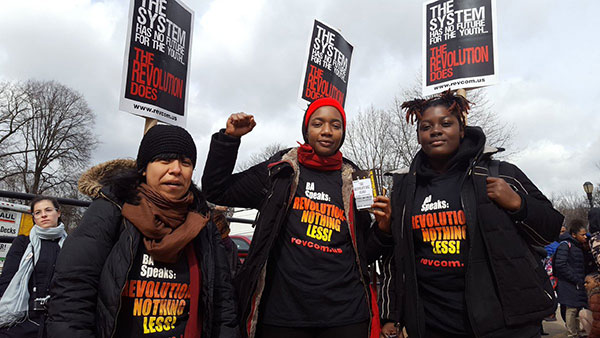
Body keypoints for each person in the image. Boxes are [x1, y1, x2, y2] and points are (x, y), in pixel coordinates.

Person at [201, 97, 393, 338]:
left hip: (345, 315)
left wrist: (384, 229)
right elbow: (216, 189)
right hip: (282, 315)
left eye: (335, 125)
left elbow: (365, 253)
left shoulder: (356, 180)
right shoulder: (280, 170)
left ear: (343, 132)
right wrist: (229, 140)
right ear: (306, 129)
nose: (326, 131)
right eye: (317, 123)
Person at [379, 90, 563, 338]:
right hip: (433, 324)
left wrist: (519, 204)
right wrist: (393, 313)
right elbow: (396, 256)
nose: (436, 130)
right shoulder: (404, 188)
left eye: (446, 123)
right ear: (418, 136)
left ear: (462, 129)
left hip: (504, 324)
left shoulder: (500, 172)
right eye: (426, 126)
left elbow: (550, 231)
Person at [46, 125, 239, 338]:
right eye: (165, 160)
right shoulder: (110, 209)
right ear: (144, 168)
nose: (176, 169)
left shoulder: (203, 223)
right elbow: (72, 296)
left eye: (186, 162)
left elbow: (222, 303)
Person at [0, 196, 67, 337]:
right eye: (37, 212)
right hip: (22, 316)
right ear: (34, 218)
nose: (43, 215)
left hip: (58, 318)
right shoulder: (23, 242)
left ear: (58, 213)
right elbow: (7, 279)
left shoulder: (70, 245)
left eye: (48, 210)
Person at [555, 219, 590, 338]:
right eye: (582, 235)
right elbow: (560, 265)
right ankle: (572, 333)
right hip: (569, 283)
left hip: (577, 282)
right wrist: (575, 278)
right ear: (574, 235)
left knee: (578, 307)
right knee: (571, 309)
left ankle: (577, 331)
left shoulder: (579, 246)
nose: (585, 237)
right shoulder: (565, 245)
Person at [580, 272, 600, 337]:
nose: (585, 285)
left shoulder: (596, 296)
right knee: (583, 313)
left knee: (582, 313)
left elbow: (597, 323)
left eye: (588, 282)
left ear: (597, 283)